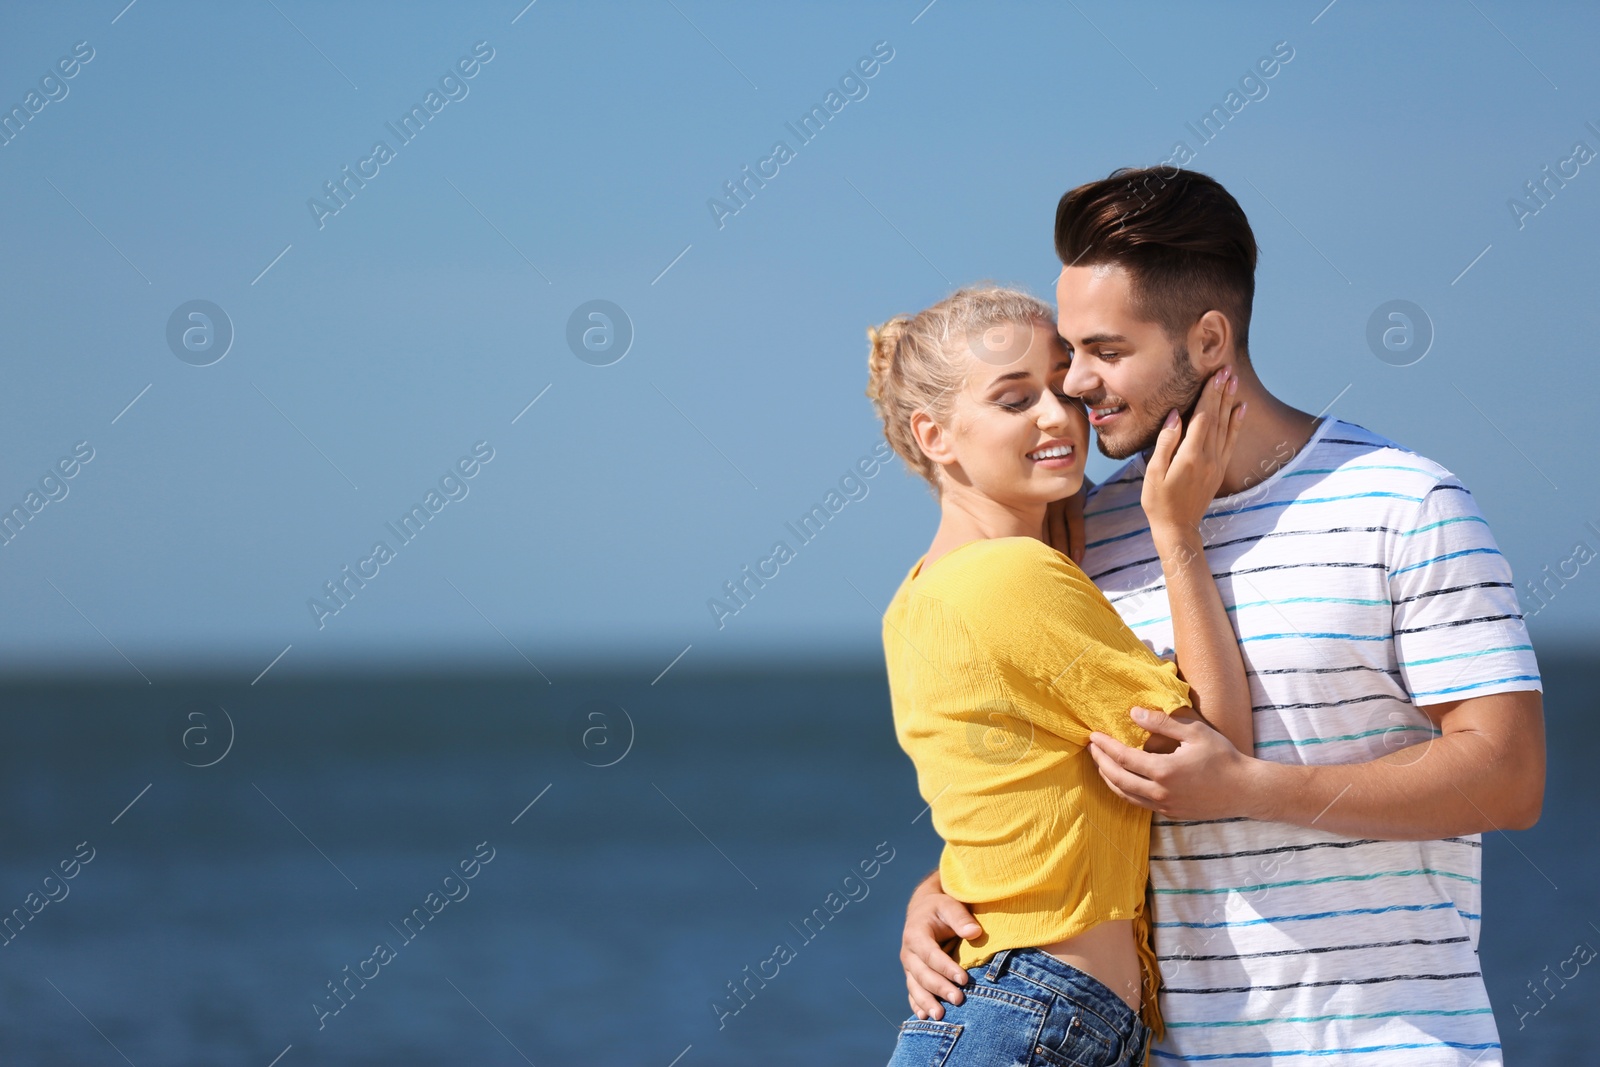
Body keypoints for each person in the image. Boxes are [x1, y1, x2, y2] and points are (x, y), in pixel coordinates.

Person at [899, 169, 1545, 1066]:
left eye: (1104, 351)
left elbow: (1508, 775)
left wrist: (1248, 786)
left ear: (1207, 339)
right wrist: (950, 889)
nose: (1078, 383)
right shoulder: (1085, 527)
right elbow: (1039, 765)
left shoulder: (1405, 501)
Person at [867, 283, 1252, 1066]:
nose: (1058, 414)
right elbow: (1214, 747)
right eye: (1015, 400)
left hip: (1020, 1011)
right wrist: (1175, 533)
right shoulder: (1013, 576)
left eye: (1062, 384)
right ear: (934, 434)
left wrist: (928, 889)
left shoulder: (919, 592)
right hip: (1035, 1014)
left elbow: (1015, 803)